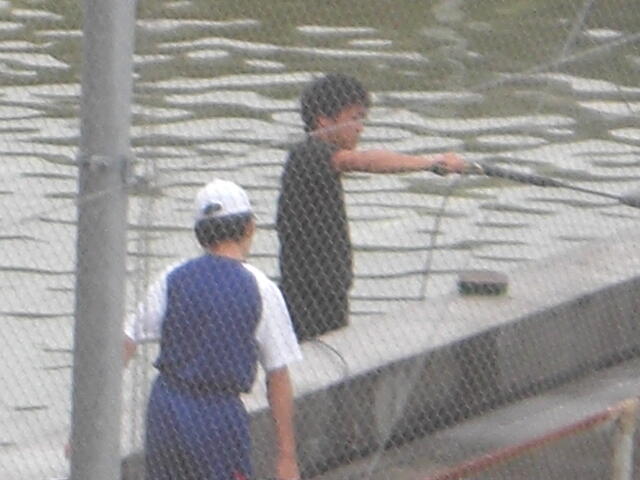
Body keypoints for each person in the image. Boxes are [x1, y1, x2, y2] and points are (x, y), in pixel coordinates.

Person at [124, 179, 302, 480]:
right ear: (249, 228)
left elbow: (126, 340)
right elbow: (278, 376)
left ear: (200, 234)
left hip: (166, 406)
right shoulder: (261, 289)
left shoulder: (172, 278)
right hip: (218, 415)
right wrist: (286, 456)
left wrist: (88, 420)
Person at [276, 72, 468, 341]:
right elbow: (363, 161)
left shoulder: (318, 160)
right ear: (324, 120)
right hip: (309, 296)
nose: (360, 128)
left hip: (328, 291)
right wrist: (432, 163)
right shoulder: (309, 155)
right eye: (354, 118)